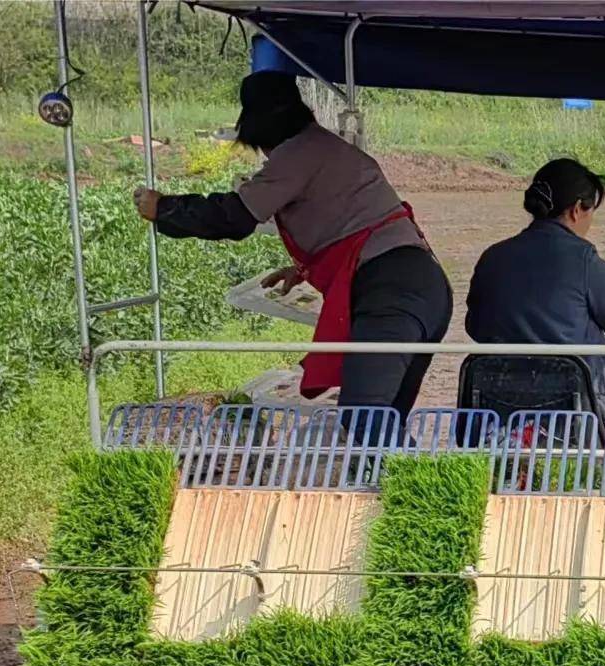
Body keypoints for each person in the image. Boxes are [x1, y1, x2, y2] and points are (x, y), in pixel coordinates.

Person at [132, 71, 450, 430]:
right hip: (421, 287)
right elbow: (351, 222)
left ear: (259, 130)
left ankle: (407, 485)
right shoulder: (323, 148)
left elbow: (235, 217)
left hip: (394, 293)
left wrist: (166, 208)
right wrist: (303, 269)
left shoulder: (299, 153)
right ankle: (400, 482)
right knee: (383, 421)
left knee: (366, 420)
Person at [465, 158, 605, 428]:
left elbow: (475, 327)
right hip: (576, 417)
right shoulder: (585, 262)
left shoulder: (492, 258)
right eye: (591, 211)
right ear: (577, 210)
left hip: (498, 413)